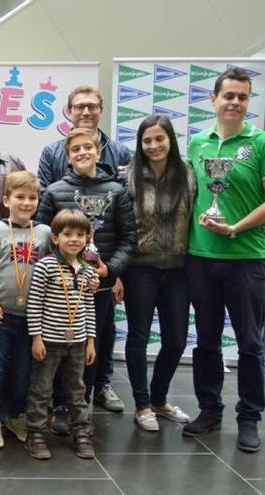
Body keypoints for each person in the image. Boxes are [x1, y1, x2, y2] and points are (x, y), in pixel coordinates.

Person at [183, 68, 265, 453]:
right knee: (207, 341)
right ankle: (209, 409)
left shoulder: (260, 142)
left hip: (247, 257)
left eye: (242, 96)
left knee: (249, 342)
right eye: (228, 95)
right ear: (213, 100)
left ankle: (248, 417)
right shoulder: (198, 142)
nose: (234, 102)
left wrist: (234, 228)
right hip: (200, 256)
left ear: (248, 102)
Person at [37, 128, 136, 421]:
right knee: (58, 347)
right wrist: (56, 269)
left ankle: (81, 405)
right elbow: (43, 236)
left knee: (88, 347)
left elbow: (129, 239)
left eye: (87, 148)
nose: (82, 152)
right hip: (59, 287)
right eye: (75, 149)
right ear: (68, 156)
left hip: (98, 287)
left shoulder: (116, 191)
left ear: (98, 152)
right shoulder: (55, 191)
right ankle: (58, 407)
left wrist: (110, 269)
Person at [124, 116, 195, 432]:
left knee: (177, 340)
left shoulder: (188, 173)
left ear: (171, 140)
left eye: (159, 139)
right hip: (141, 269)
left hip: (178, 270)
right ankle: (142, 405)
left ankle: (160, 398)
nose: (153, 146)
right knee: (138, 337)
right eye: (147, 140)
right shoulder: (129, 176)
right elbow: (123, 226)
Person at [0, 171, 52, 449]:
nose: (26, 203)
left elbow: (54, 271)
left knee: (23, 370)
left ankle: (16, 415)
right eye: (20, 197)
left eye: (32, 197)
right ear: (6, 200)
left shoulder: (44, 234)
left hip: (32, 318)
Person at [24, 209, 97, 460]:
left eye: (80, 235)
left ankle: (81, 431)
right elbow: (34, 303)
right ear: (55, 238)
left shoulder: (87, 270)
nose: (74, 239)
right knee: (41, 388)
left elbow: (89, 306)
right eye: (67, 234)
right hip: (49, 341)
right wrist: (36, 337)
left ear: (87, 238)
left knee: (77, 390)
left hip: (77, 342)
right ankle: (35, 432)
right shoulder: (46, 266)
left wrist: (90, 341)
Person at [37, 85, 131, 189]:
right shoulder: (51, 153)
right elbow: (43, 196)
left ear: (101, 111)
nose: (86, 112)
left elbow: (126, 195)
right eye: (79, 107)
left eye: (92, 107)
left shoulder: (121, 152)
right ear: (70, 112)